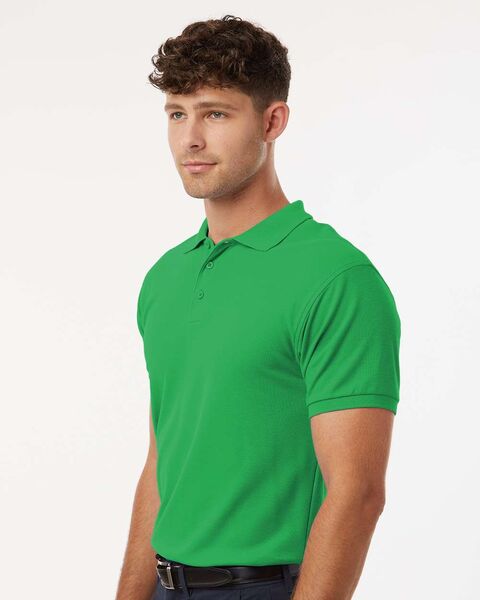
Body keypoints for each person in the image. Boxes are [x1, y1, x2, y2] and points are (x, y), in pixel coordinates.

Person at [115, 14, 401, 600]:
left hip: (266, 588)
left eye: (215, 114)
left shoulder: (336, 278)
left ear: (272, 121)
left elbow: (357, 494)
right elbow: (163, 462)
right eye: (177, 113)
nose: (190, 139)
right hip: (165, 583)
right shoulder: (166, 277)